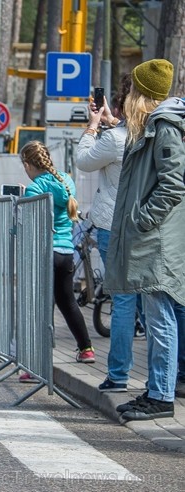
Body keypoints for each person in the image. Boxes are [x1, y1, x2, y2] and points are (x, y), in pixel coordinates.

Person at [106, 59, 185, 421]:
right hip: (155, 238)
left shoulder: (164, 127)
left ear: (143, 94)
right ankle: (159, 389)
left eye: (132, 90)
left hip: (157, 240)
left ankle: (161, 395)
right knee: (161, 316)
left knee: (159, 318)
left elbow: (173, 183)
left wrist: (143, 219)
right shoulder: (152, 127)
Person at [75, 74, 144, 392]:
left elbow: (83, 161)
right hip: (146, 224)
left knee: (123, 301)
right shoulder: (151, 131)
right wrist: (110, 119)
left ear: (122, 102)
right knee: (154, 303)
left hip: (112, 226)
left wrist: (92, 125)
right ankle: (166, 379)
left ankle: (118, 375)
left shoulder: (114, 138)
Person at [20, 141, 95, 364]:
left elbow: (30, 223)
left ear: (27, 164)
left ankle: (35, 364)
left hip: (45, 253)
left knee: (40, 308)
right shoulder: (67, 181)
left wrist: (23, 200)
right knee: (67, 302)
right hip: (65, 253)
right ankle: (86, 348)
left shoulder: (35, 188)